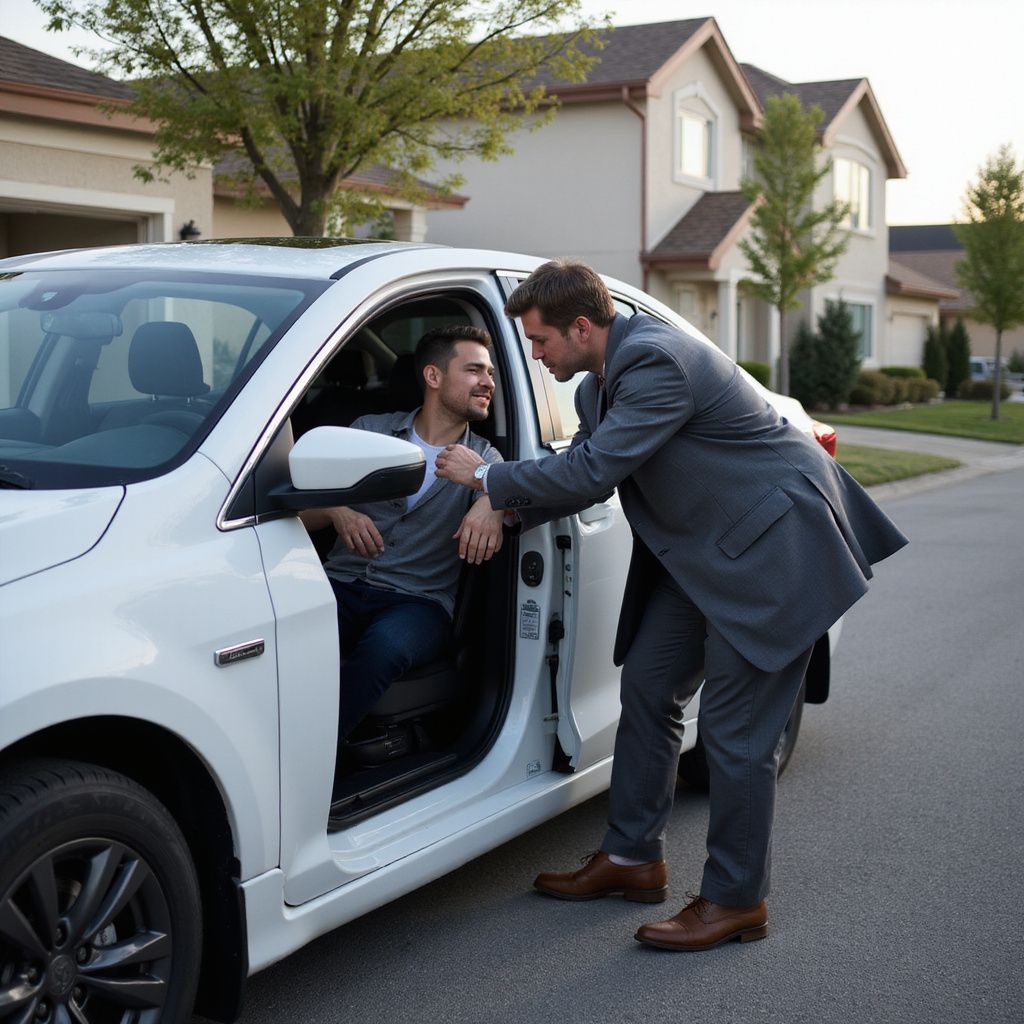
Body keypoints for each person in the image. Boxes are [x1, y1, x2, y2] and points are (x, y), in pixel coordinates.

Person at [435, 259, 908, 951]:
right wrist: (499, 506)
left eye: (540, 343)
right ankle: (633, 858)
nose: (534, 357)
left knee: (735, 736)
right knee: (651, 687)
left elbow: (594, 468)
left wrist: (487, 476)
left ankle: (735, 900)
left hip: (775, 554)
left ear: (582, 326)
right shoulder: (602, 384)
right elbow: (592, 478)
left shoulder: (658, 362)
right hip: (706, 558)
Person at [301, 325, 506, 744]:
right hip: (339, 584)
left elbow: (514, 492)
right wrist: (339, 512)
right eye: (474, 371)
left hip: (419, 603)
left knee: (384, 649)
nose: (489, 383)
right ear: (433, 377)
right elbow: (304, 517)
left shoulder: (485, 459)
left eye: (489, 374)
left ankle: (312, 753)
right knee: (283, 634)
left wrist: (492, 501)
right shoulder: (367, 431)